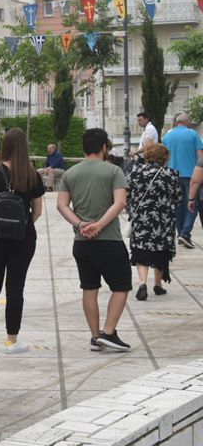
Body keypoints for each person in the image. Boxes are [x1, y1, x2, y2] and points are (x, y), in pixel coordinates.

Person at [57, 127, 131, 352]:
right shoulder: (113, 171)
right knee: (121, 286)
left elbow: (61, 205)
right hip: (109, 240)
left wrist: (80, 224)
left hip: (81, 242)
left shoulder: (71, 173)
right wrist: (99, 225)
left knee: (89, 288)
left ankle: (94, 336)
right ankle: (109, 332)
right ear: (104, 147)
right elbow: (120, 203)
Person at [0, 128, 45, 354]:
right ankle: (12, 340)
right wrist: (22, 225)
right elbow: (37, 211)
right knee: (16, 287)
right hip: (23, 237)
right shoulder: (31, 174)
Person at [127, 143, 181, 300]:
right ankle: (158, 285)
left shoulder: (136, 172)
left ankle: (143, 283)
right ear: (164, 157)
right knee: (161, 250)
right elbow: (178, 198)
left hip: (141, 219)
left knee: (141, 249)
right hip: (163, 221)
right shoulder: (171, 174)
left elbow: (126, 192)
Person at [161, 112, 203, 248]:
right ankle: (185, 233)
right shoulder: (193, 135)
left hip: (172, 175)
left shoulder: (167, 136)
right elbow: (200, 156)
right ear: (189, 122)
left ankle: (180, 233)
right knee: (192, 204)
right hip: (191, 175)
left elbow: (164, 158)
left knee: (178, 206)